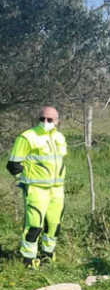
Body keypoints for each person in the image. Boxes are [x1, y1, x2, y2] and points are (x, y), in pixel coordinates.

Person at [6, 106, 67, 268]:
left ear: (57, 121)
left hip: (57, 189)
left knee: (54, 225)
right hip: (36, 189)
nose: (45, 122)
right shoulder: (27, 137)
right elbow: (13, 165)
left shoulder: (60, 137)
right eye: (42, 119)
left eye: (49, 119)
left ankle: (47, 257)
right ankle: (28, 261)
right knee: (34, 226)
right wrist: (25, 182)